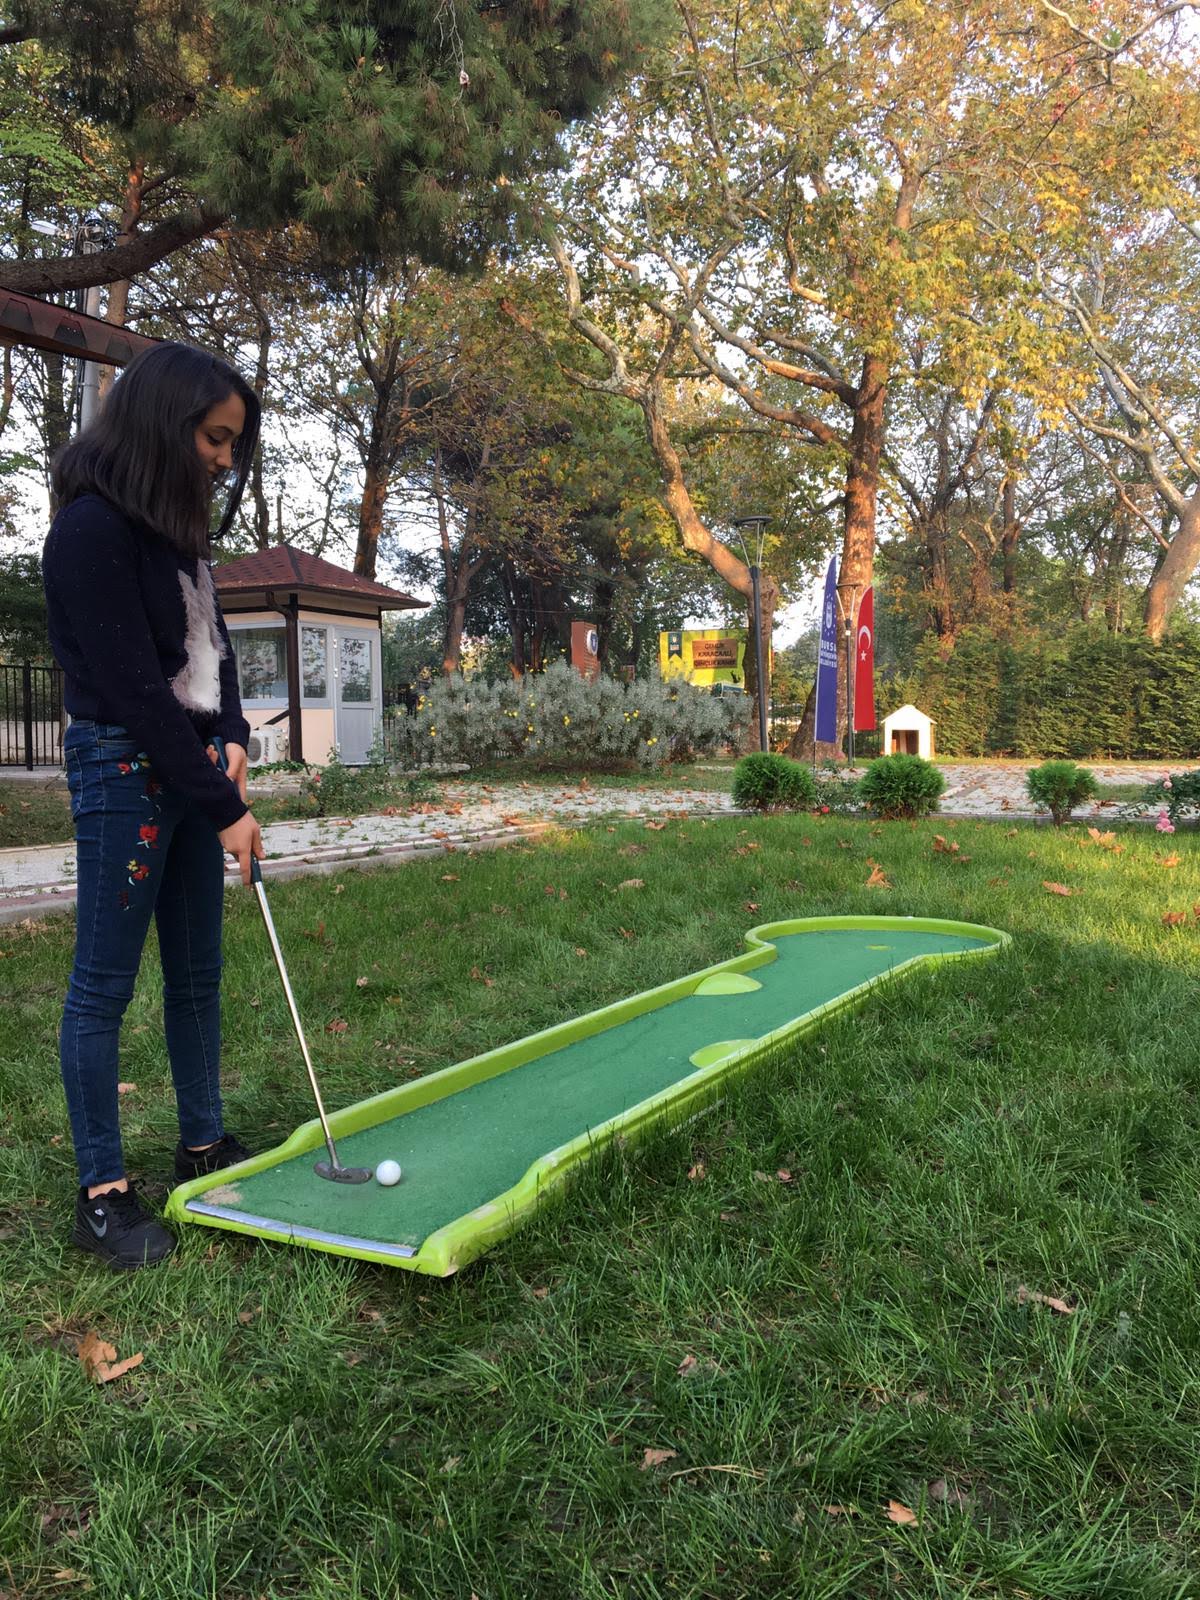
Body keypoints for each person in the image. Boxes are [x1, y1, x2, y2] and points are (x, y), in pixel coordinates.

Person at [43, 342, 266, 1270]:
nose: (224, 458)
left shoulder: (179, 537)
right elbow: (138, 690)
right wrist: (223, 805)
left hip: (191, 767)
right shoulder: (90, 529)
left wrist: (236, 734)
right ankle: (102, 1196)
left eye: (232, 443)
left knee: (198, 973)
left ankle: (202, 1144)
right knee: (104, 984)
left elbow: (214, 655)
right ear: (163, 424)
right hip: (123, 771)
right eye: (214, 438)